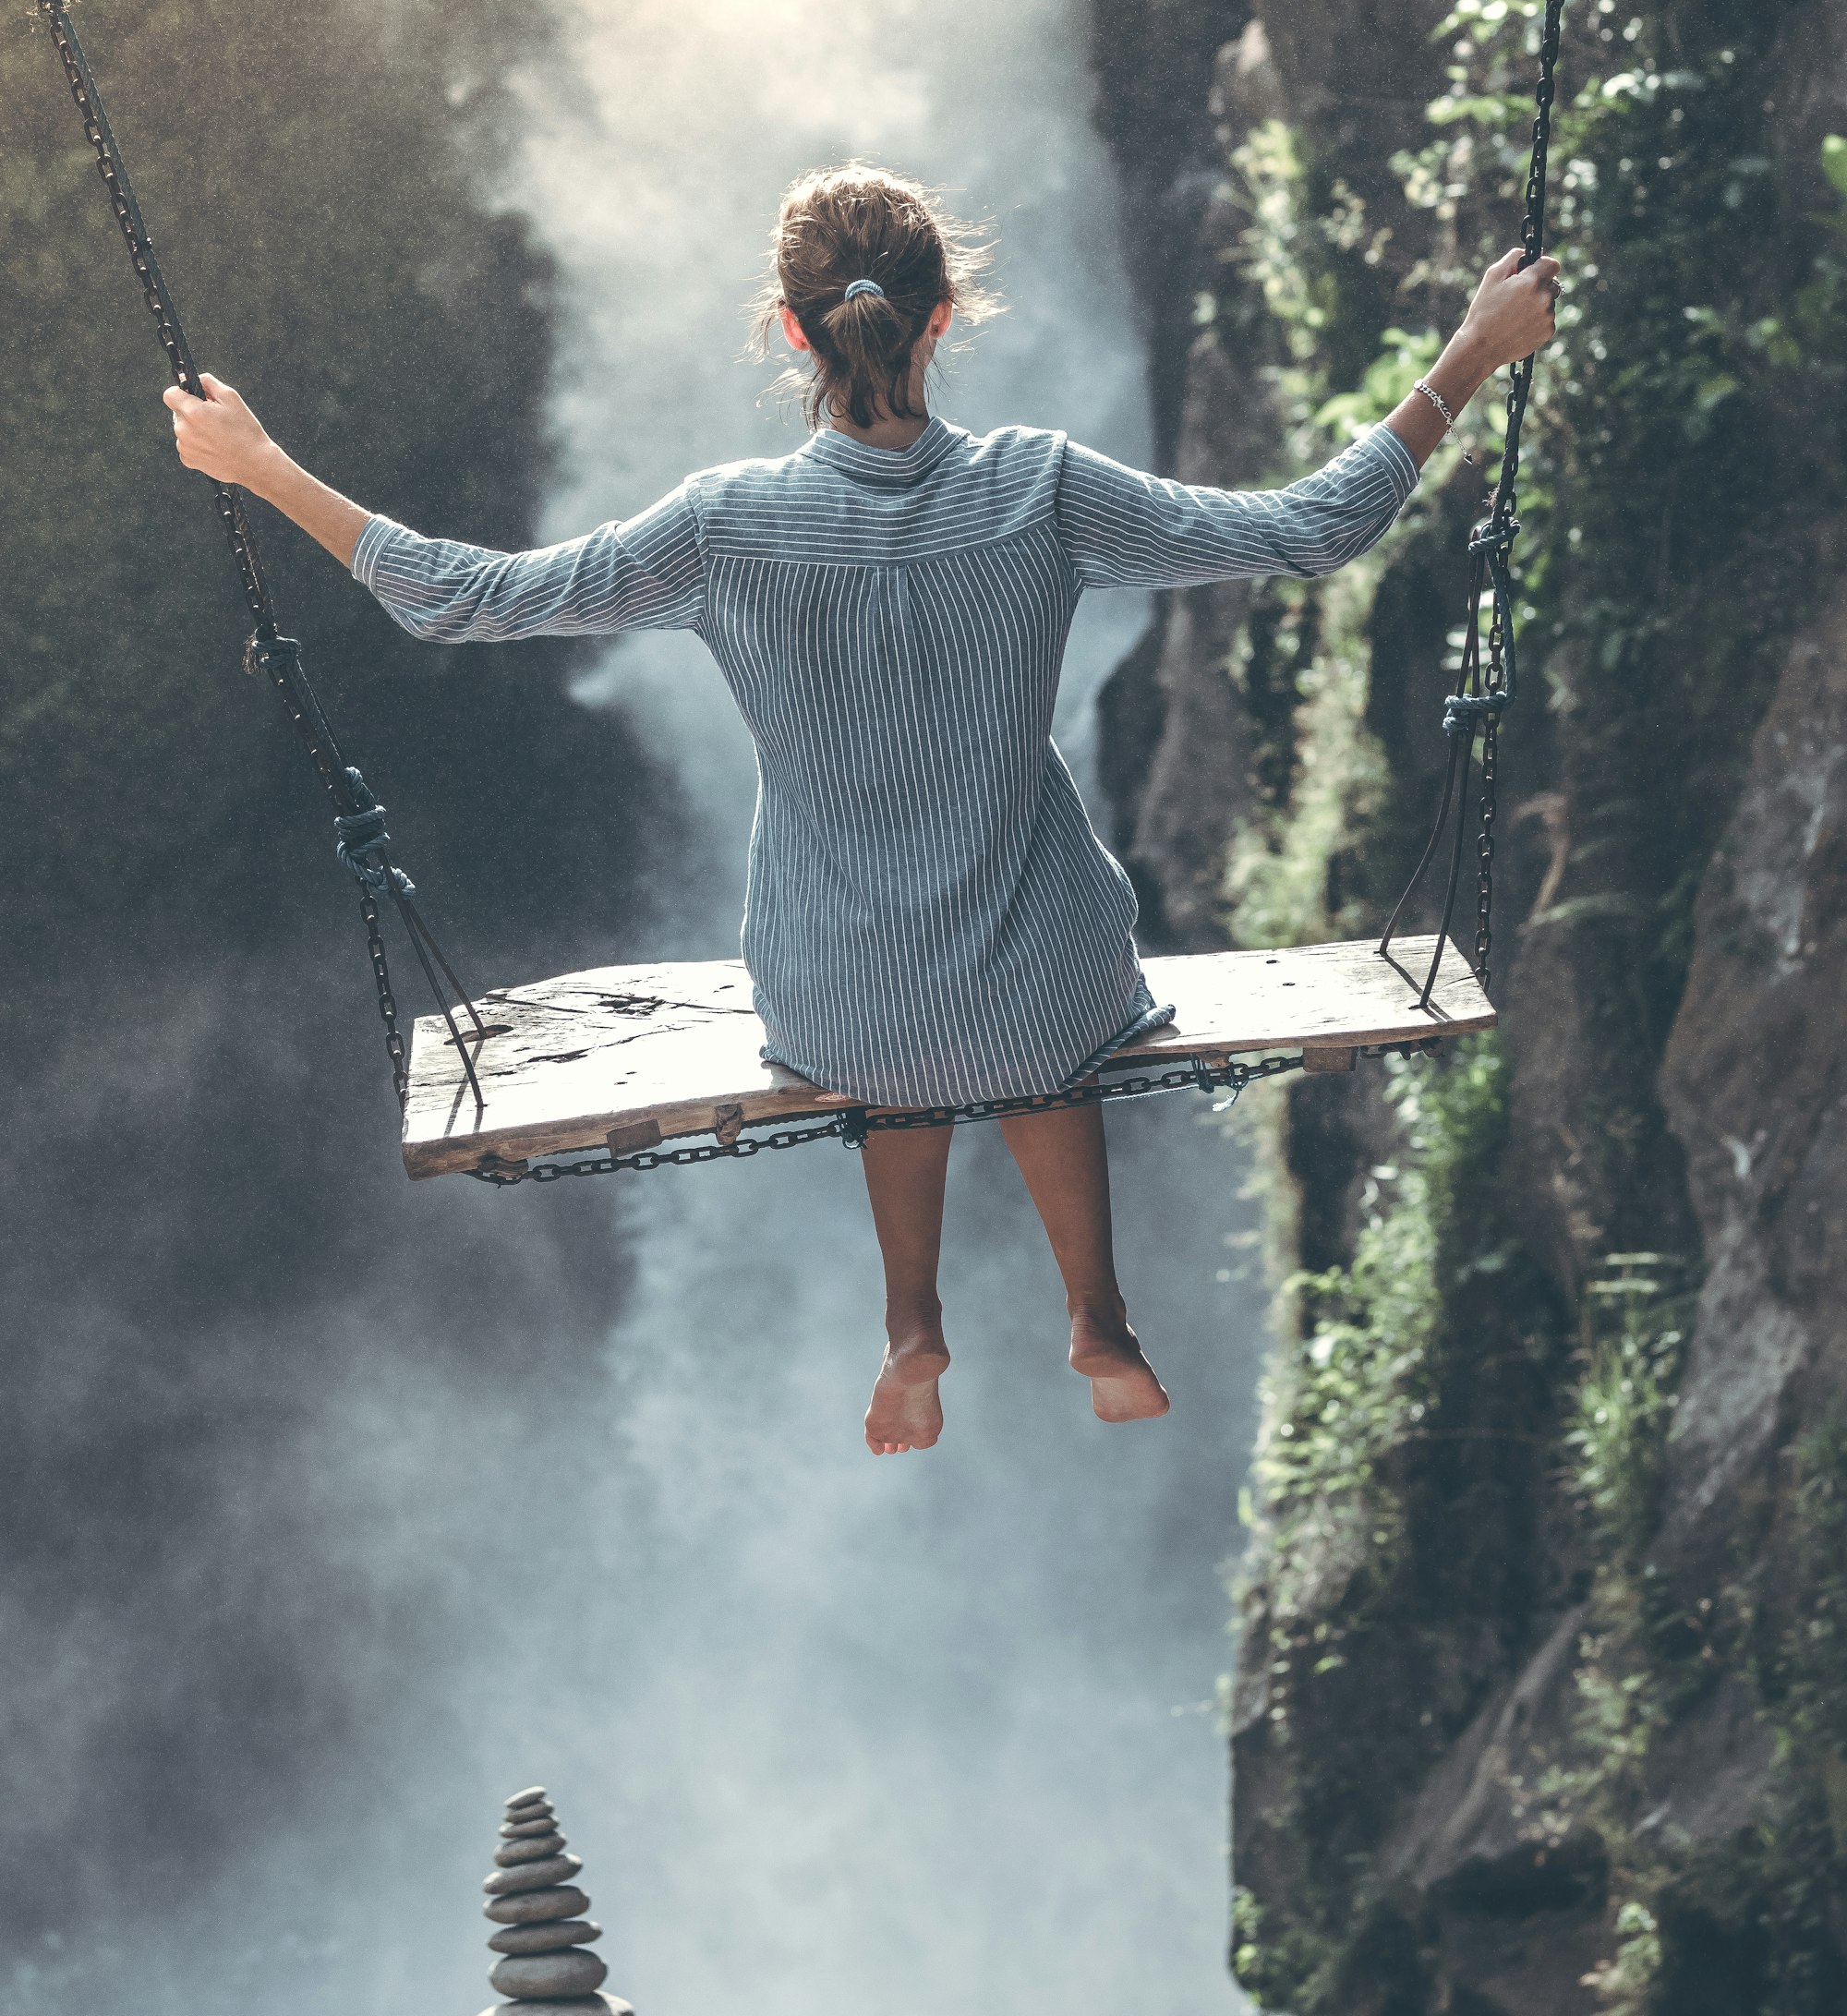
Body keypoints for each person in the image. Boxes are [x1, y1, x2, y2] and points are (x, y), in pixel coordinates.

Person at [163, 164, 1559, 1456]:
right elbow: (1310, 527)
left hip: (841, 997)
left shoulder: (722, 525)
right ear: (947, 316)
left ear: (790, 333)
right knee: (1040, 991)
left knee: (895, 1013)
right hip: (1042, 979)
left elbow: (467, 597)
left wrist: (264, 466)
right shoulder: (1042, 490)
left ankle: (912, 1326)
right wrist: (1470, 358)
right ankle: (1100, 1319)